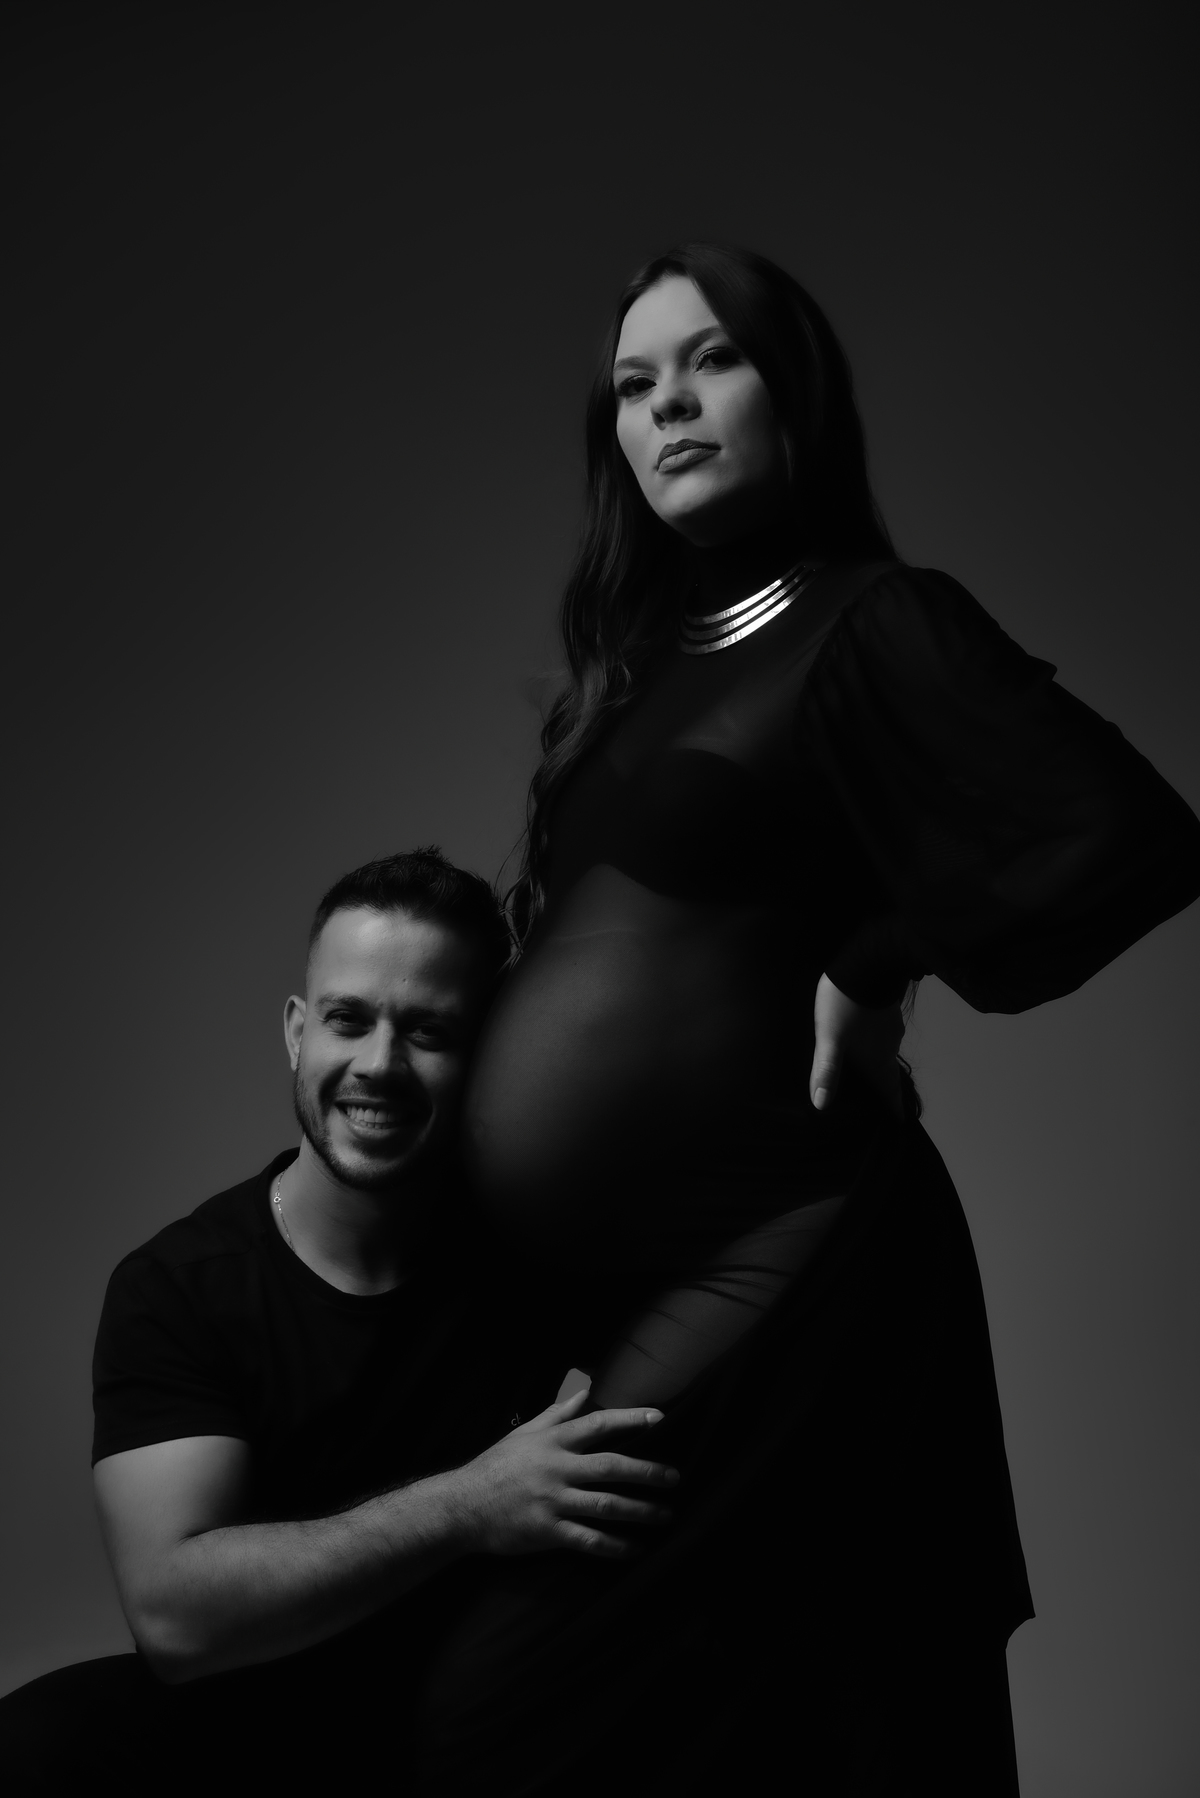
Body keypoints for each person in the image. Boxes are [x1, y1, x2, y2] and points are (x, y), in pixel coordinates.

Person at [414, 246, 1200, 1794]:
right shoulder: (631, 675)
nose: (667, 407)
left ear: (797, 392)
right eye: (633, 385)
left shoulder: (871, 619)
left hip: (792, 1242)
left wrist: (874, 960)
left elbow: (1120, 829)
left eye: (710, 361)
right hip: (619, 1282)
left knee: (502, 1714)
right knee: (732, 1724)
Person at [0, 848, 678, 1793]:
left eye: (429, 1031)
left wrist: (854, 985)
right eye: (348, 1020)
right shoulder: (178, 1287)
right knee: (32, 1745)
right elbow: (176, 1619)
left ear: (488, 1052)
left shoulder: (535, 1250)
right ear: (296, 1031)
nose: (379, 1065)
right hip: (239, 1729)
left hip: (473, 1722)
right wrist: (469, 1504)